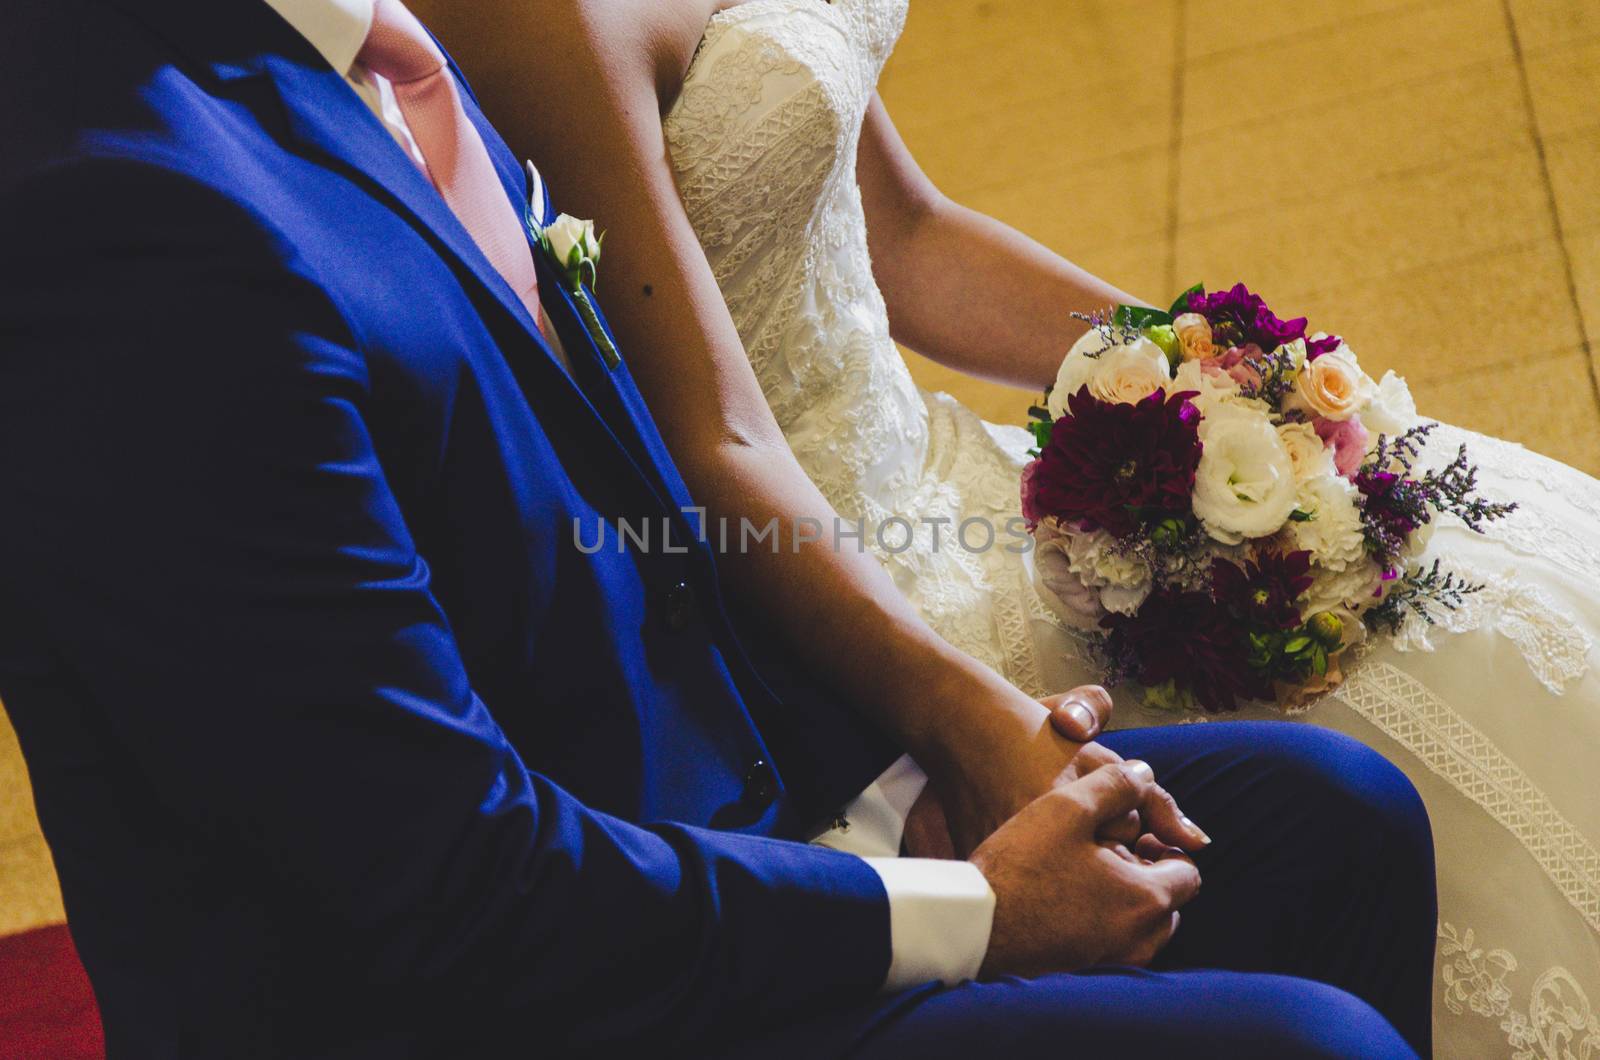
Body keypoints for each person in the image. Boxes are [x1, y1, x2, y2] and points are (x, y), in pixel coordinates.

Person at [0, 0, 1434, 1055]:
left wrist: (915, 758)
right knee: (1316, 1047)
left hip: (713, 816)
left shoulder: (370, 49)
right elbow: (438, 885)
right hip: (541, 991)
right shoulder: (120, 217)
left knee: (1339, 820)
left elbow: (602, 531)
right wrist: (959, 909)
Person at [411, 0, 1600, 1053]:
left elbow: (911, 235)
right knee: (1391, 705)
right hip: (828, 579)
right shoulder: (530, 19)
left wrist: (1189, 373)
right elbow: (712, 446)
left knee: (1478, 574)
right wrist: (974, 721)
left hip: (949, 465)